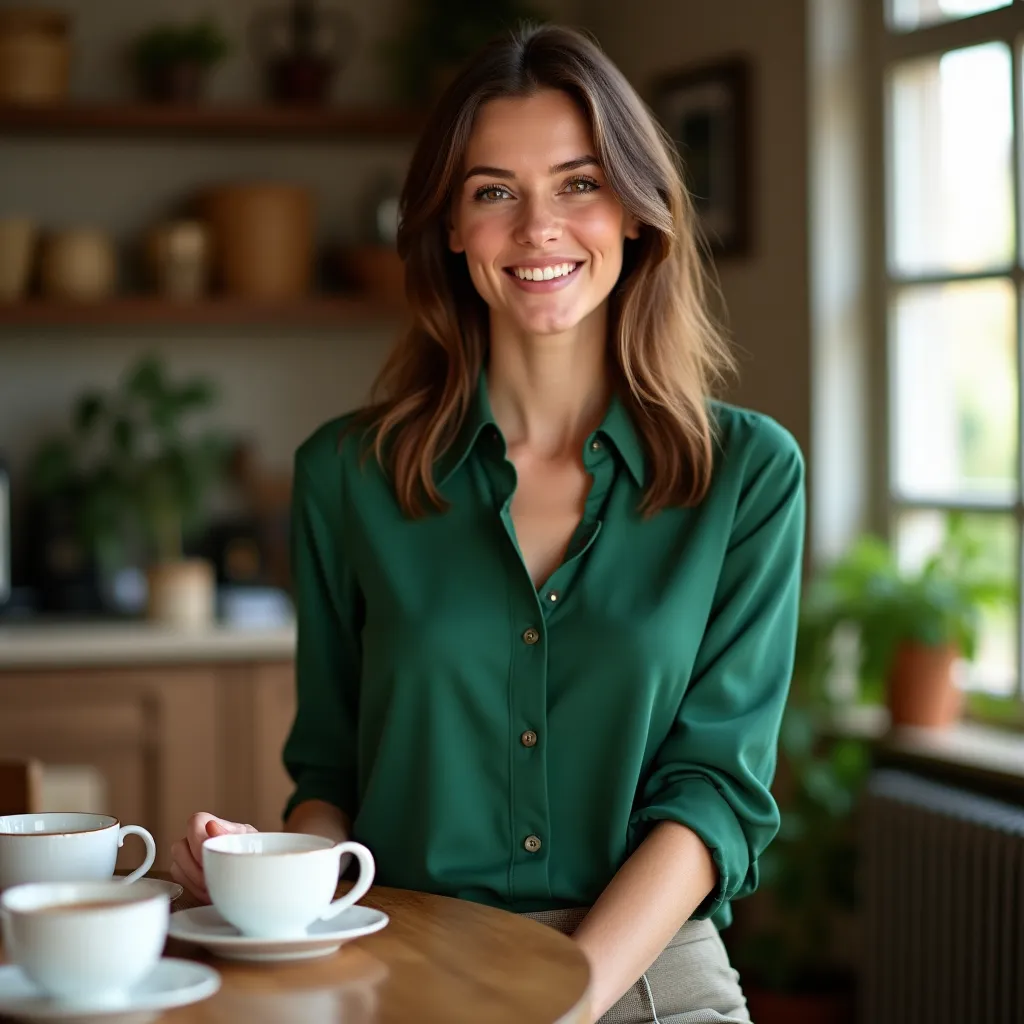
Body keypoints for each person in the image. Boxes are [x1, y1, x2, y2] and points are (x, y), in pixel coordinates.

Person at [171, 23, 804, 1024]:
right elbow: (332, 773)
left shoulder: (746, 476)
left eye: (578, 183)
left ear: (635, 212)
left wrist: (559, 1001)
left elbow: (714, 794)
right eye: (494, 191)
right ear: (451, 229)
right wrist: (274, 874)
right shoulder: (345, 476)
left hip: (649, 980)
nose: (538, 226)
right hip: (411, 966)